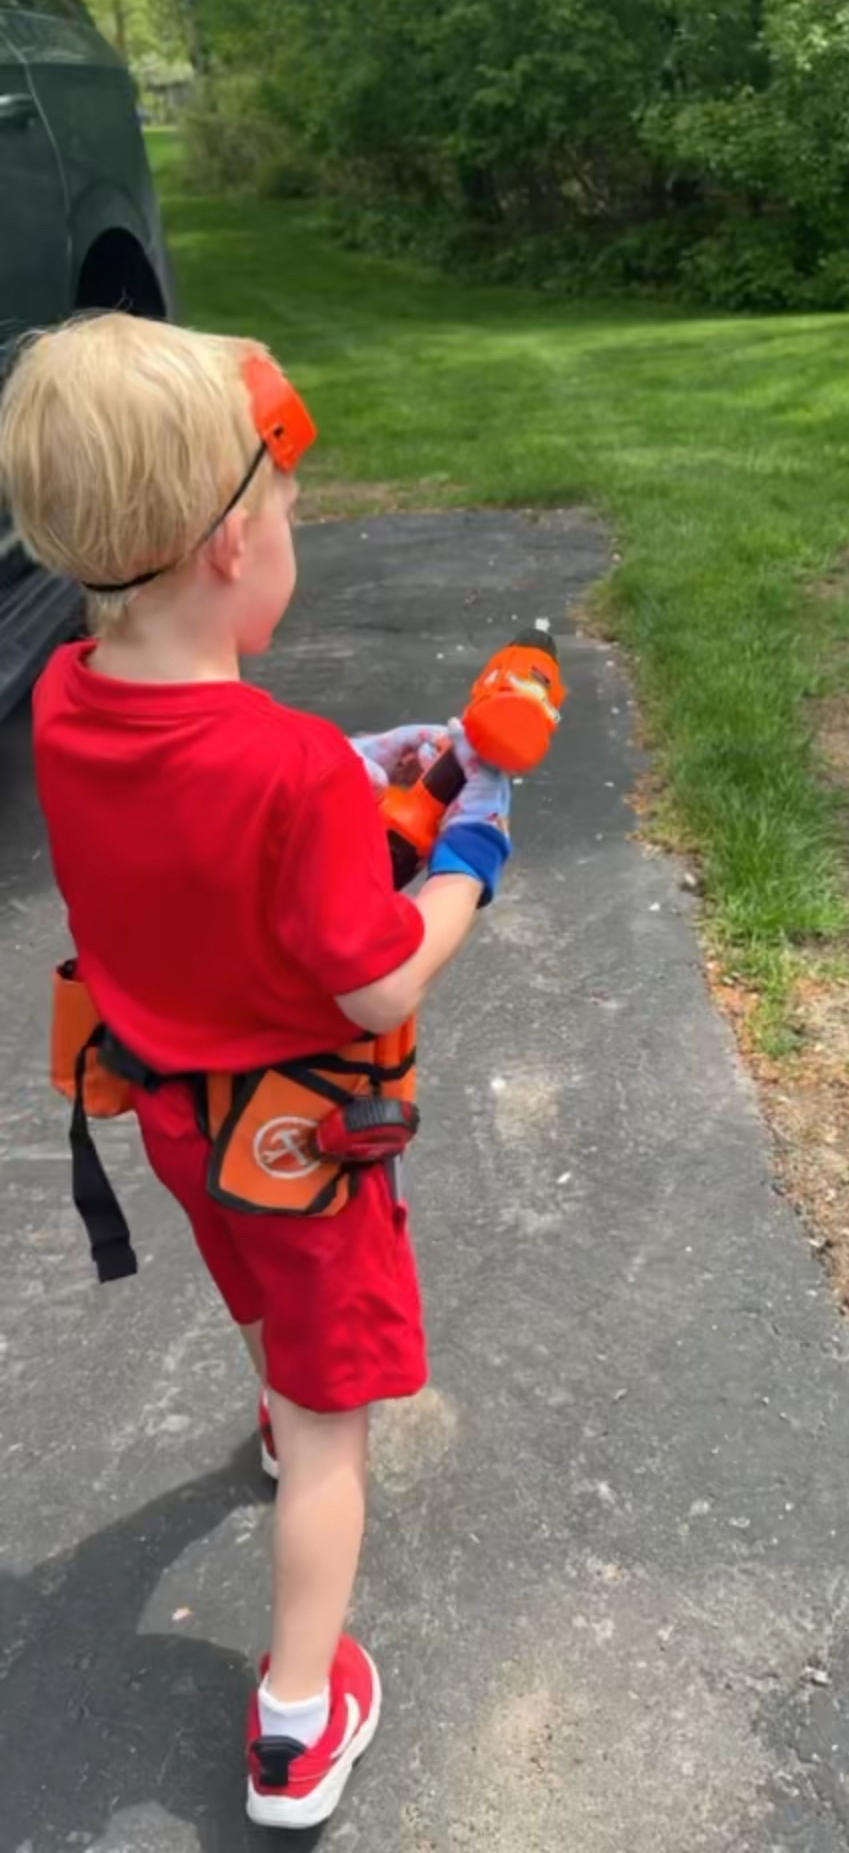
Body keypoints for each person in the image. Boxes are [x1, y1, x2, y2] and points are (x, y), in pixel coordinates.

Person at [0, 313, 512, 1830]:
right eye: (292, 517)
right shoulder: (285, 766)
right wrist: (470, 851)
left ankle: (280, 1405)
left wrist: (354, 768)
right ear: (232, 541)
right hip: (301, 1143)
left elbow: (193, 785)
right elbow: (378, 970)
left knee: (253, 1297)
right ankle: (297, 1716)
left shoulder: (68, 701)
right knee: (337, 1445)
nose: (297, 539)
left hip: (171, 1120)